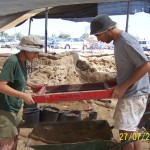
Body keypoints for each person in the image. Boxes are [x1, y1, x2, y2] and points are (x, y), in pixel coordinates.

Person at [90, 14, 150, 150]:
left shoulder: (125, 41)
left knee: (124, 135)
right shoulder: (119, 42)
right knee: (131, 130)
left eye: (98, 35)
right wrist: (117, 81)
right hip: (133, 93)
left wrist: (123, 86)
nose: (98, 39)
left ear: (108, 30)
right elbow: (132, 67)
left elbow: (146, 66)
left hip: (133, 94)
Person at [0, 35, 44, 150]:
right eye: (35, 52)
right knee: (7, 143)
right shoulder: (12, 62)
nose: (36, 55)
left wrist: (29, 83)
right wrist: (23, 95)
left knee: (15, 137)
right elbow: (1, 86)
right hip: (5, 108)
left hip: (15, 106)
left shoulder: (23, 61)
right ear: (26, 50)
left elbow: (16, 78)